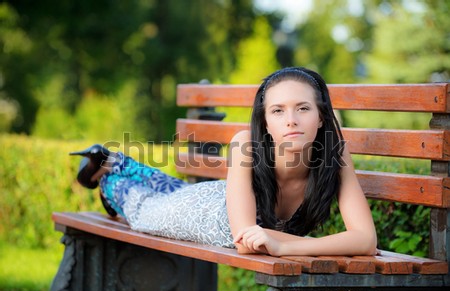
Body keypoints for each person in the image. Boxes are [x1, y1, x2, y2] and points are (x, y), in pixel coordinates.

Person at [70, 66, 377, 257]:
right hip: (202, 214)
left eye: (303, 108)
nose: (291, 120)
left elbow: (365, 240)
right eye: (278, 111)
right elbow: (245, 240)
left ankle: (114, 161)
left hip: (223, 196)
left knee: (171, 188)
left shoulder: (336, 153)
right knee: (141, 209)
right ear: (266, 122)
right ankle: (109, 174)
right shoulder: (245, 143)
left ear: (322, 116)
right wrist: (285, 244)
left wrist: (286, 246)